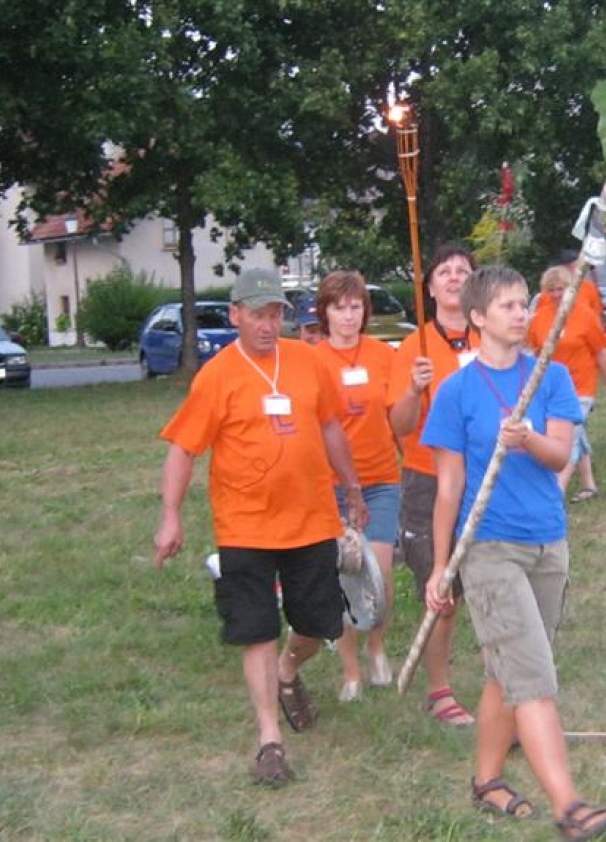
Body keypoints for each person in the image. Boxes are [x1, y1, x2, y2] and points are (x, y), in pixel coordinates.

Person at [422, 264, 606, 841]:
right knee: (531, 676)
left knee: (506, 669)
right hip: (488, 550)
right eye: (507, 306)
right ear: (477, 317)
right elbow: (449, 489)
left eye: (522, 305)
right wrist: (441, 566)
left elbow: (561, 455)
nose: (519, 314)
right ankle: (570, 808)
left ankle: (486, 781)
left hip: (547, 544)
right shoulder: (455, 392)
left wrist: (525, 437)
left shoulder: (549, 376)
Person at [152, 268, 367, 787]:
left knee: (319, 626)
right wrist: (171, 516)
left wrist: (353, 488)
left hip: (312, 519)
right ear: (235, 316)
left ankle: (289, 671)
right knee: (256, 630)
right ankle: (269, 738)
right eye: (257, 315)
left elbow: (332, 425)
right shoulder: (218, 376)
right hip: (245, 526)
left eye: (276, 314)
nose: (269, 325)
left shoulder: (307, 361)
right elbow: (183, 449)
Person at [387, 244, 479, 726]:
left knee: (484, 584)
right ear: (429, 287)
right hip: (427, 479)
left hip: (484, 478)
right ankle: (439, 690)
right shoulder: (414, 346)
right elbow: (399, 426)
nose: (453, 278)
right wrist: (413, 390)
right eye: (444, 271)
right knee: (440, 589)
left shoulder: (491, 337)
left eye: (463, 271)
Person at [306, 273, 402, 701]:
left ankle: (377, 646)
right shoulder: (312, 360)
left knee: (378, 570)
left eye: (355, 307)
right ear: (324, 313)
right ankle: (350, 672)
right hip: (328, 485)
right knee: (342, 575)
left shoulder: (384, 355)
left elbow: (399, 416)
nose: (348, 316)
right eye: (338, 307)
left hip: (380, 478)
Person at [528, 264, 606, 502]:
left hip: (581, 387)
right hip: (551, 389)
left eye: (561, 289)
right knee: (576, 434)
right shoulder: (539, 318)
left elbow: (602, 353)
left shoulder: (585, 315)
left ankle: (556, 491)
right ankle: (589, 485)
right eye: (552, 290)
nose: (557, 295)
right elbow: (532, 352)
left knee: (568, 435)